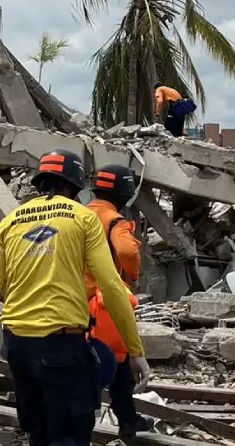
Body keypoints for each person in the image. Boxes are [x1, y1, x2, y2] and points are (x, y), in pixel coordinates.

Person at [0, 149, 152, 445]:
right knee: (68, 437)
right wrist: (135, 351)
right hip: (62, 347)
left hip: (17, 347)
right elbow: (111, 286)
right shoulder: (83, 218)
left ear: (39, 182)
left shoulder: (11, 222)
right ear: (75, 185)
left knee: (38, 434)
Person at [84, 164, 155, 440]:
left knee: (85, 360)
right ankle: (124, 420)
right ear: (125, 193)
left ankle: (125, 418)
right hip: (104, 300)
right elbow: (126, 251)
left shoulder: (80, 214)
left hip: (74, 300)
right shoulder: (115, 221)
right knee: (118, 357)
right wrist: (131, 274)